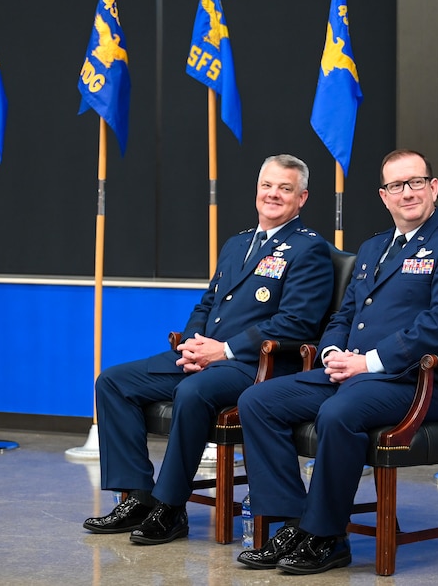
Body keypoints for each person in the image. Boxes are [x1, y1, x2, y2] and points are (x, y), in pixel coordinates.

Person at [235, 149, 438, 575]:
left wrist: (367, 362)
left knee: (338, 413)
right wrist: (333, 353)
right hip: (354, 374)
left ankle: (328, 537)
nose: (406, 193)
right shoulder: (372, 247)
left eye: (415, 182)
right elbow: (343, 316)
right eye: (395, 186)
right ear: (383, 196)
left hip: (420, 381)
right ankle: (295, 524)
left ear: (434, 187)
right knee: (257, 401)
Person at [83, 154, 334, 546]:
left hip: (257, 366)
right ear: (256, 190)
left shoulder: (310, 250)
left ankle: (170, 508)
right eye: (267, 185)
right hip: (206, 356)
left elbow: (296, 323)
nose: (273, 194)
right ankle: (138, 496)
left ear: (302, 197)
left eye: (285, 188)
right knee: (113, 382)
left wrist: (224, 350)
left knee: (192, 392)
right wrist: (192, 345)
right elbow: (206, 303)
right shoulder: (237, 244)